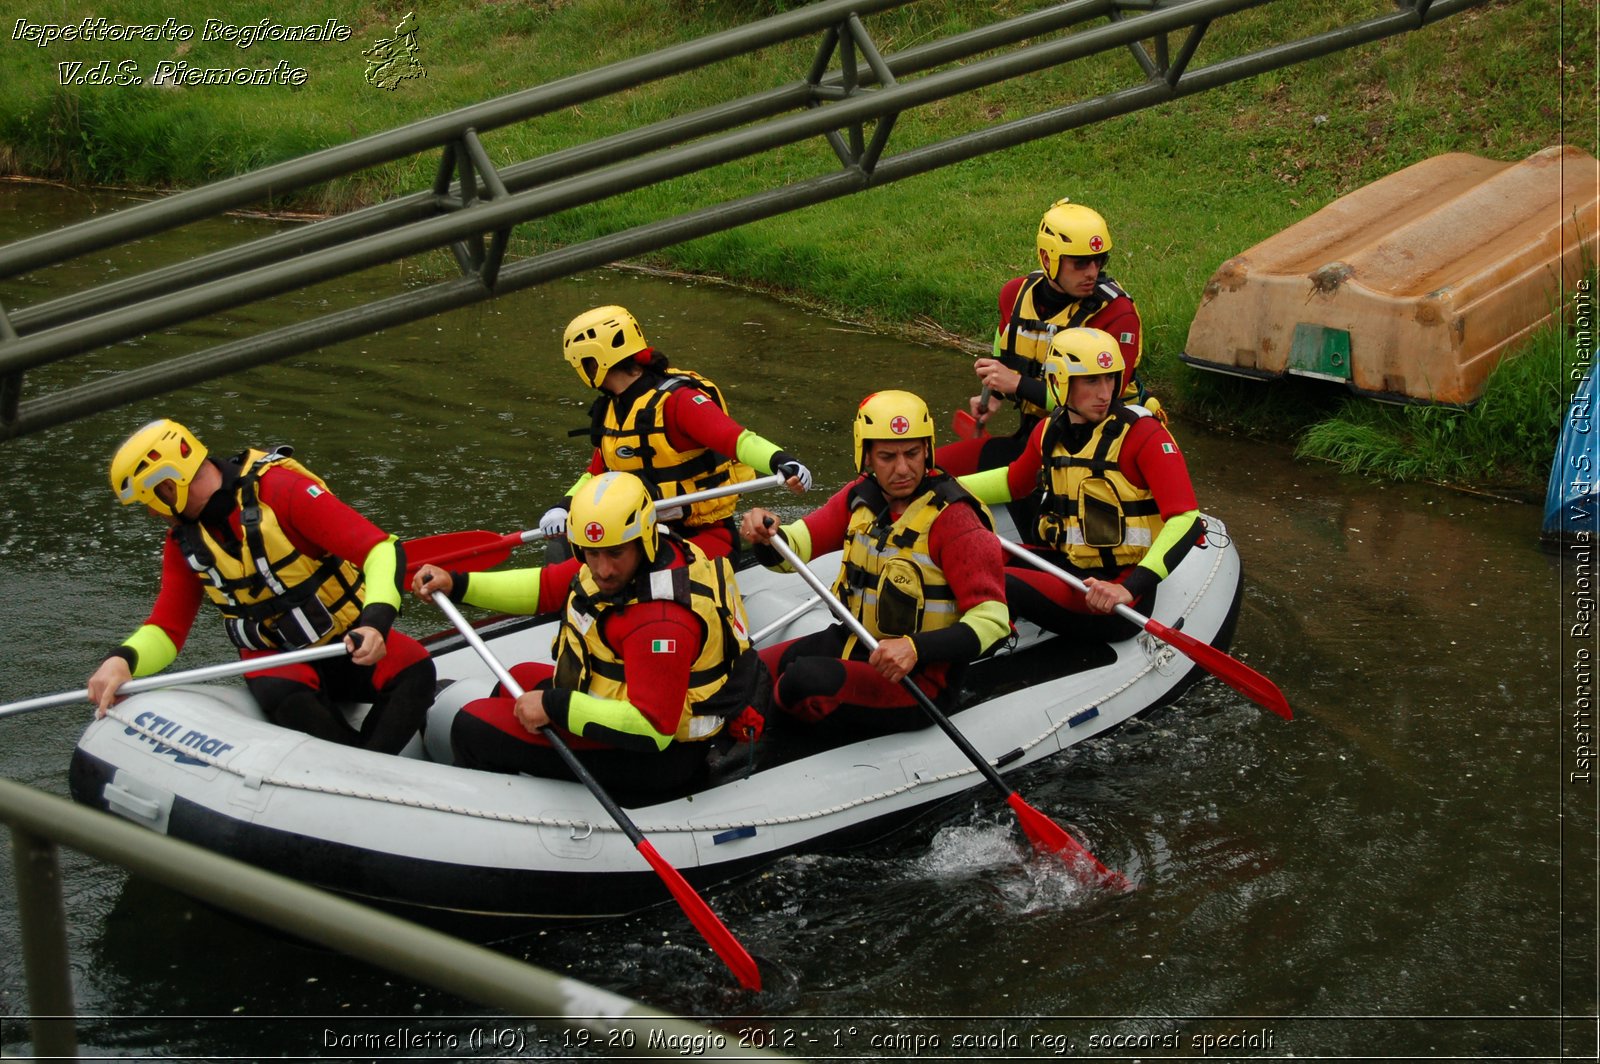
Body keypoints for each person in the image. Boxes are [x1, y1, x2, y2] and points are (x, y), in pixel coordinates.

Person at [411, 471, 767, 803]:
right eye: (591, 553)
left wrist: (555, 708)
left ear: (642, 538)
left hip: (659, 758)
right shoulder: (643, 552)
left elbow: (652, 730)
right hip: (625, 710)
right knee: (517, 680)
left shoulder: (661, 623)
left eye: (614, 554)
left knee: (474, 725)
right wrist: (457, 584)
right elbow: (545, 587)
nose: (603, 569)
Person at [89, 419, 435, 753]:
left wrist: (374, 624)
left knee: (416, 670)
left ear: (169, 485)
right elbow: (167, 629)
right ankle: (357, 769)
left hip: (347, 643)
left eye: (148, 500)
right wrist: (122, 660)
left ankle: (371, 766)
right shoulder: (183, 542)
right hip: (278, 661)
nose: (151, 513)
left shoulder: (282, 491)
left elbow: (381, 551)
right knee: (287, 696)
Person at [739, 390, 1009, 736]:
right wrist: (767, 535)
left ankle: (760, 745)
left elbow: (994, 620)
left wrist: (915, 648)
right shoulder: (861, 496)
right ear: (865, 456)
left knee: (804, 679)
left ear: (928, 449)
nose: (902, 468)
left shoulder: (955, 519)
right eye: (887, 456)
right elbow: (792, 552)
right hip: (855, 642)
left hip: (919, 678)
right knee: (747, 672)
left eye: (913, 453)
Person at [958, 328, 1204, 642]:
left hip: (1119, 590)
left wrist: (1127, 588)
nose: (1105, 393)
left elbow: (1186, 519)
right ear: (1061, 381)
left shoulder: (1143, 436)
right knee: (968, 555)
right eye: (1091, 380)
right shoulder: (1049, 431)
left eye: (1110, 378)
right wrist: (940, 487)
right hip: (1069, 565)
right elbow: (1012, 482)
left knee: (997, 581)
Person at [541, 304, 812, 560]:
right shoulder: (613, 408)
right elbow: (598, 474)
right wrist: (563, 506)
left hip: (704, 536)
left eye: (580, 363)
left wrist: (781, 461)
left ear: (594, 361)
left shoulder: (677, 402)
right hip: (643, 535)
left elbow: (737, 441)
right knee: (566, 549)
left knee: (630, 565)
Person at [937, 198, 1150, 477]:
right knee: (929, 470)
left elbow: (1102, 402)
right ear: (1048, 258)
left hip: (1101, 454)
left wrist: (1017, 384)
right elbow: (1006, 356)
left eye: (1099, 261)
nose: (1092, 272)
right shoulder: (1014, 295)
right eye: (1080, 263)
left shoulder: (1117, 314)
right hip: (1034, 443)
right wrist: (996, 393)